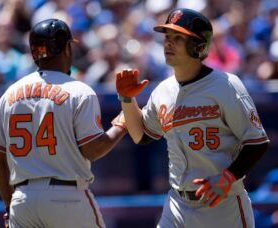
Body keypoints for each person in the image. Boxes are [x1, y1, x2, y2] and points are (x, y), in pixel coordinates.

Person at [115, 8, 270, 228]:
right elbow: (141, 136)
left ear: (199, 46)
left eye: (177, 38)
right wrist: (127, 101)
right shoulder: (163, 91)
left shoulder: (226, 85)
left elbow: (257, 143)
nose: (168, 44)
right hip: (177, 204)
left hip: (222, 204)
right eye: (167, 37)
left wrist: (228, 177)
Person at [0, 18, 127, 228]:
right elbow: (92, 149)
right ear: (67, 48)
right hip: (67, 196)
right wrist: (122, 123)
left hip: (23, 199)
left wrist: (10, 204)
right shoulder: (79, 91)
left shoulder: (10, 93)